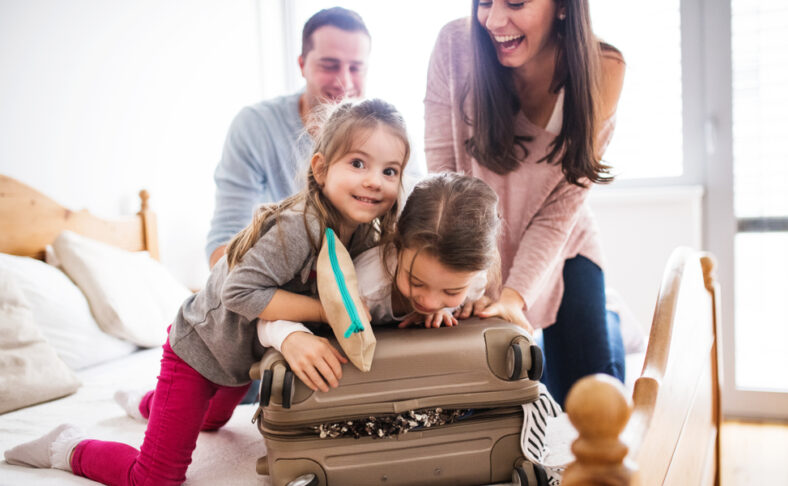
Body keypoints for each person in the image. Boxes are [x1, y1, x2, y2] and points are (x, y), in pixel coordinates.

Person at [4, 98, 411, 485]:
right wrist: (326, 312)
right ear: (321, 169)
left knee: (212, 422)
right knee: (155, 479)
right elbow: (241, 293)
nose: (375, 181)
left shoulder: (362, 234)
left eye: (390, 171)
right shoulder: (298, 225)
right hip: (198, 349)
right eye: (358, 163)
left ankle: (145, 403)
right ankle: (66, 446)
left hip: (240, 358)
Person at [423, 0, 626, 405]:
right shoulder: (455, 45)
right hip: (477, 241)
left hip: (562, 245)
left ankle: (611, 318)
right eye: (485, 2)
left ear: (564, 8)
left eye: (516, 2)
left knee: (588, 396)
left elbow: (560, 210)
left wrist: (514, 297)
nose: (494, 20)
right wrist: (470, 277)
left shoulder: (603, 68)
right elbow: (444, 177)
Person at [206, 6, 425, 270]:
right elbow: (224, 243)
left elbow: (416, 224)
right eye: (329, 65)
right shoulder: (255, 126)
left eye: (355, 68)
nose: (344, 81)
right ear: (302, 65)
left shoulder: (392, 136)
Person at [256, 172, 503, 391]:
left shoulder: (474, 278)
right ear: (396, 245)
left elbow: (470, 295)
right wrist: (290, 337)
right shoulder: (366, 285)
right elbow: (267, 317)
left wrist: (456, 307)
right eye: (416, 282)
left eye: (451, 291)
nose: (429, 301)